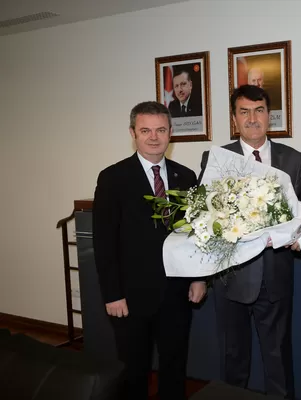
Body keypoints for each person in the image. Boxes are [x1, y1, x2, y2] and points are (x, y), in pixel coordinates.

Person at [93, 101, 206, 400]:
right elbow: (104, 242)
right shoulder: (113, 178)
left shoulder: (186, 176)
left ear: (171, 133)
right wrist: (112, 294)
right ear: (133, 133)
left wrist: (199, 278)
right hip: (130, 297)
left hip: (176, 293)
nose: (154, 137)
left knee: (175, 366)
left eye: (160, 130)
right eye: (145, 131)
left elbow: (195, 232)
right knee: (133, 371)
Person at [198, 85, 301, 398]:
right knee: (234, 360)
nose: (252, 118)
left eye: (259, 111)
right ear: (234, 118)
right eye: (244, 112)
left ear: (269, 116)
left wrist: (297, 232)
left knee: (279, 360)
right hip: (231, 278)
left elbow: (299, 209)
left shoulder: (292, 158)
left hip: (276, 275)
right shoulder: (217, 158)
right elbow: (204, 216)